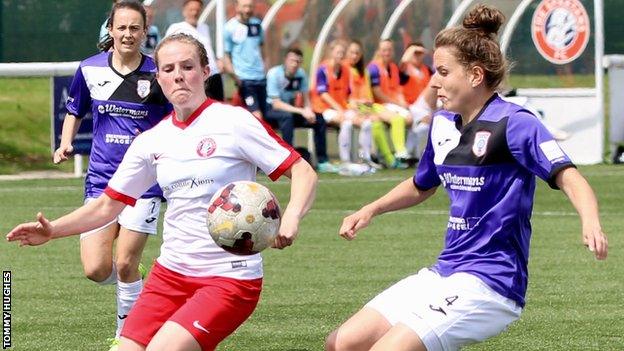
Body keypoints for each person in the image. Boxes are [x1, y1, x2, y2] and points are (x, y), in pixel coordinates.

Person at [8, 33, 318, 351]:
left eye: (187, 66)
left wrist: (290, 218)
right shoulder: (151, 141)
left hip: (229, 278)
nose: (178, 75)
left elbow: (302, 171)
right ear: (158, 77)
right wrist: (53, 230)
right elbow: (106, 207)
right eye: (168, 69)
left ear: (205, 71)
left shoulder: (233, 122)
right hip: (170, 275)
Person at [325, 4, 608, 351]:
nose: (433, 81)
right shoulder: (441, 124)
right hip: (445, 271)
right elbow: (421, 184)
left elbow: (570, 177)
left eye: (443, 72)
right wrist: (370, 209)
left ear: (475, 75)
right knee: (342, 343)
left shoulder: (515, 123)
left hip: (491, 282)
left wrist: (590, 221)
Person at [55, 2, 172, 350]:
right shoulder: (89, 69)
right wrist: (65, 144)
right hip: (102, 182)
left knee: (124, 262)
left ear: (144, 32)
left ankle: (127, 335)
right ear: (111, 29)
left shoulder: (158, 72)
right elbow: (75, 109)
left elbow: (176, 118)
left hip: (145, 184)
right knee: (95, 268)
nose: (127, 34)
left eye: (134, 28)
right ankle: (137, 286)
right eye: (121, 28)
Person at [265, 47, 338, 173]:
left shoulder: (301, 74)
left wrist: (308, 111)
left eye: (298, 62)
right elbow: (276, 104)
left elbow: (306, 98)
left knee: (318, 119)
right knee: (287, 117)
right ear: (285, 60)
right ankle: (287, 160)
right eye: (292, 60)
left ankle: (322, 161)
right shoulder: (274, 74)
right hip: (272, 111)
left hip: (291, 111)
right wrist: (301, 111)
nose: (294, 64)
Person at [310, 39, 374, 174]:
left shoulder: (346, 70)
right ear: (331, 53)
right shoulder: (322, 69)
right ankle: (345, 161)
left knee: (366, 122)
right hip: (324, 109)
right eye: (338, 52)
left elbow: (349, 95)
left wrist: (356, 107)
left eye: (342, 53)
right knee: (346, 123)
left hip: (342, 109)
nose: (340, 55)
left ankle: (365, 159)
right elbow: (323, 94)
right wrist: (340, 109)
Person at [345, 40, 408, 169]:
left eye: (357, 53)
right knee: (376, 123)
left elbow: (368, 93)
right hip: (354, 107)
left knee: (397, 119)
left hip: (369, 105)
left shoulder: (364, 71)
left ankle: (398, 155)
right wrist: (357, 104)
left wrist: (368, 103)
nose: (354, 56)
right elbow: (345, 95)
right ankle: (389, 158)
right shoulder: (346, 69)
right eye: (352, 53)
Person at [165, 0, 224, 101]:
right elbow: (167, 50)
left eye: (197, 10)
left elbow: (209, 50)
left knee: (218, 106)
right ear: (184, 11)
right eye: (191, 10)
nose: (194, 13)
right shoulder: (176, 28)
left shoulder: (204, 28)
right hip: (198, 76)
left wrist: (218, 61)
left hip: (214, 74)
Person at [367, 39, 413, 163]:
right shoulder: (373, 67)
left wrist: (402, 102)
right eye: (383, 50)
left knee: (409, 118)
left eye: (389, 50)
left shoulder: (393, 67)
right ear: (379, 51)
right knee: (397, 119)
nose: (386, 53)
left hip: (391, 104)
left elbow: (397, 89)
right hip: (377, 105)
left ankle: (408, 153)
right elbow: (376, 92)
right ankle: (400, 153)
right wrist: (397, 103)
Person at [223, 0, 268, 119]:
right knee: (257, 116)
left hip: (260, 78)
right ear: (237, 7)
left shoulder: (257, 25)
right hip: (245, 79)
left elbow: (263, 48)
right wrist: (236, 78)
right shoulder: (229, 28)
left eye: (250, 6)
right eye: (244, 6)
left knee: (267, 117)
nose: (247, 9)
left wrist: (265, 68)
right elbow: (226, 56)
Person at [400, 42, 434, 160]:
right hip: (411, 107)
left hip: (426, 108)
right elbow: (404, 62)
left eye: (421, 53)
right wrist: (412, 49)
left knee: (424, 126)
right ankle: (414, 154)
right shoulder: (405, 70)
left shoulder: (427, 70)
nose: (418, 55)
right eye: (416, 53)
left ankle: (415, 155)